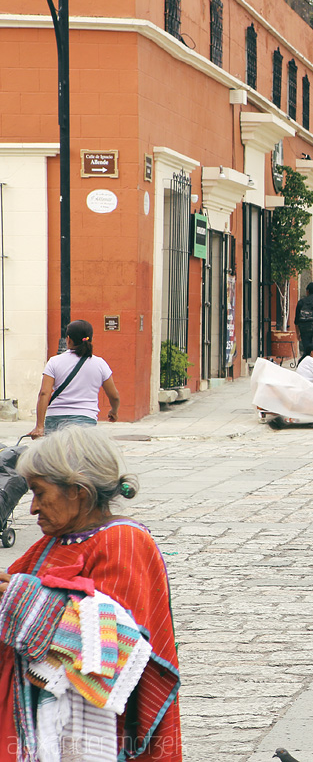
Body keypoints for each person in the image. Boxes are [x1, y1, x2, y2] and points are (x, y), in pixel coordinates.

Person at [2, 426, 181, 761]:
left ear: (78, 492)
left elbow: (115, 646)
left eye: (40, 493)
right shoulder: (52, 543)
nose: (33, 508)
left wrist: (23, 601)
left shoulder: (123, 542)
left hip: (98, 734)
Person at [29, 320, 121, 439]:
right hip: (85, 420)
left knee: (54, 456)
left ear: (68, 339)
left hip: (56, 419)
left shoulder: (54, 362)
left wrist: (39, 426)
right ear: (90, 339)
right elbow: (114, 396)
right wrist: (114, 411)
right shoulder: (100, 364)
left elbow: (44, 393)